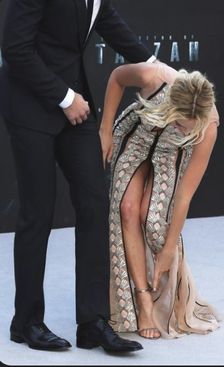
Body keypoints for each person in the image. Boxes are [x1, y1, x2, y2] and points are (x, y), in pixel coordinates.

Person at [0, 0, 156, 353]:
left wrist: (161, 71)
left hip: (76, 107)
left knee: (94, 204)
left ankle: (93, 322)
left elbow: (113, 27)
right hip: (32, 106)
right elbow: (15, 48)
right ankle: (26, 322)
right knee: (38, 213)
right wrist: (65, 97)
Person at [100, 60, 221, 340]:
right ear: (171, 106)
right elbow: (117, 77)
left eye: (187, 128)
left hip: (170, 155)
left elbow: (185, 194)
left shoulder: (208, 125)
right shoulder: (153, 76)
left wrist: (167, 249)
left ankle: (173, 299)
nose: (181, 128)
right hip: (134, 138)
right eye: (178, 122)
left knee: (154, 221)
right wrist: (105, 129)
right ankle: (142, 301)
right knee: (126, 210)